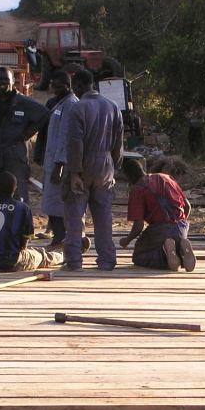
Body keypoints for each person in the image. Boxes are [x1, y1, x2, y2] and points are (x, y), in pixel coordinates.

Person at [63, 70, 124, 271]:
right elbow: (118, 143)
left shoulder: (78, 108)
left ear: (79, 86)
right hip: (105, 165)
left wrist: (73, 173)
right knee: (104, 217)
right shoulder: (113, 107)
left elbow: (75, 143)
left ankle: (74, 260)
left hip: (83, 165)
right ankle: (107, 260)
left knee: (74, 215)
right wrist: (113, 166)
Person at [0, 67, 48, 204]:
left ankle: (22, 223)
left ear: (13, 81)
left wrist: (27, 133)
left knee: (19, 192)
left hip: (15, 152)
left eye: (6, 79)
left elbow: (44, 114)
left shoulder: (24, 102)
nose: (2, 82)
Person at [0, 172, 63, 272]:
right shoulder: (22, 208)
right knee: (40, 256)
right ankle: (63, 256)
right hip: (10, 262)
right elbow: (25, 241)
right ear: (15, 188)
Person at [118, 158, 196, 272]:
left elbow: (138, 226)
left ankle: (165, 255)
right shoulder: (165, 177)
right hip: (182, 226)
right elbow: (187, 206)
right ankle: (180, 249)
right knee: (173, 237)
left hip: (160, 229)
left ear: (128, 177)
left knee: (139, 256)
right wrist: (179, 227)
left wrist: (127, 240)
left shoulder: (137, 190)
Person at [37, 70, 78, 246]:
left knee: (56, 203)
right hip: (51, 161)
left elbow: (65, 136)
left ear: (66, 86)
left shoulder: (70, 105)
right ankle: (59, 237)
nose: (53, 87)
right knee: (51, 202)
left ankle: (61, 238)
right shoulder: (58, 104)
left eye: (56, 84)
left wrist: (60, 164)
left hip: (60, 164)